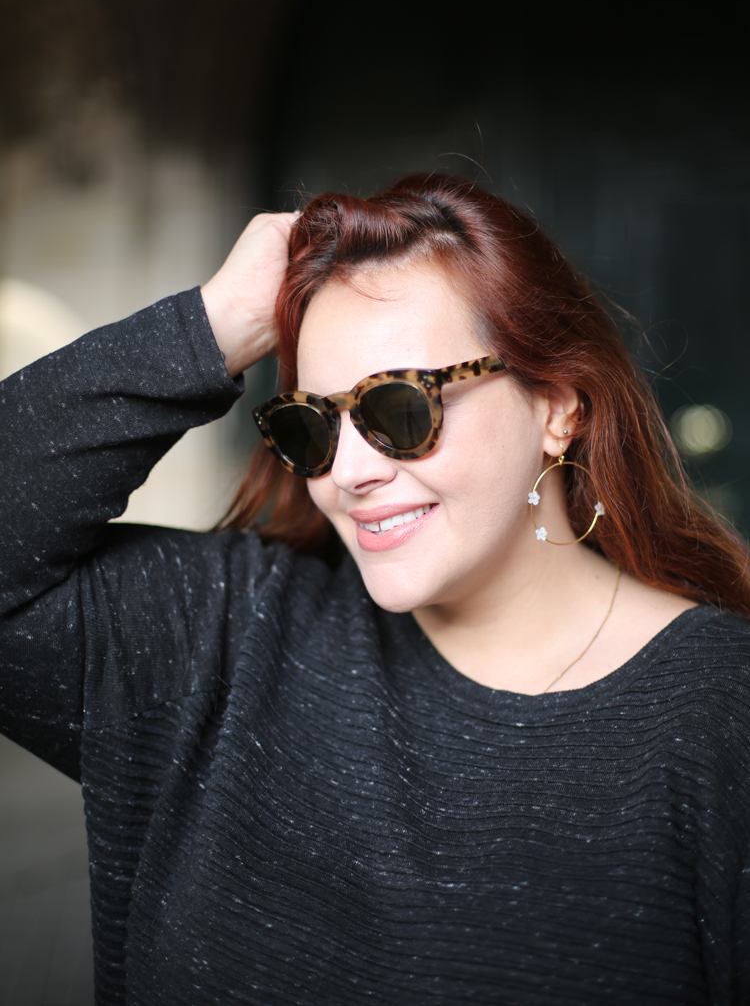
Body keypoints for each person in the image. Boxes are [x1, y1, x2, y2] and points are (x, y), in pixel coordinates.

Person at [1, 172, 749, 1006]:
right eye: (312, 425)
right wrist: (212, 325)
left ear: (556, 407)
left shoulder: (721, 715)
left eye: (400, 408)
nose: (349, 472)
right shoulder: (229, 632)